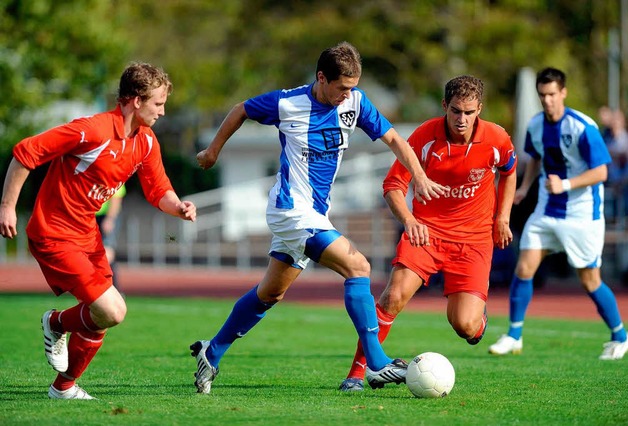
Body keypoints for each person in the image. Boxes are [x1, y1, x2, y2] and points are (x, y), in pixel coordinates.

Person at [191, 41, 444, 394]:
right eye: (342, 87)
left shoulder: (355, 102)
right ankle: (377, 363)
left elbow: (394, 139)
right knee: (359, 267)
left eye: (353, 87)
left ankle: (211, 351)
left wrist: (417, 175)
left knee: (270, 293)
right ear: (321, 78)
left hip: (311, 213)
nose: (348, 95)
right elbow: (241, 109)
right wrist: (213, 150)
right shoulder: (287, 102)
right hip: (290, 209)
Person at [0, 62, 197, 399]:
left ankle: (63, 388)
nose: (163, 112)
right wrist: (6, 207)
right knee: (112, 309)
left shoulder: (146, 142)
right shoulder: (90, 130)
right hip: (54, 233)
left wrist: (177, 206)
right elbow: (25, 154)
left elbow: (157, 188)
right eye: (158, 104)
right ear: (136, 100)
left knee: (104, 314)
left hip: (87, 236)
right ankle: (56, 324)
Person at [339, 75, 518, 391]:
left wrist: (502, 217)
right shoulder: (423, 137)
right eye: (456, 111)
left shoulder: (497, 139)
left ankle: (476, 321)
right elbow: (393, 187)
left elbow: (509, 172)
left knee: (465, 325)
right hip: (426, 234)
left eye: (470, 112)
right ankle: (356, 374)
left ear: (480, 109)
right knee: (392, 297)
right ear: (444, 106)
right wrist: (409, 221)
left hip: (474, 240)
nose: (462, 119)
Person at [488, 67, 628, 360]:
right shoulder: (536, 125)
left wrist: (566, 183)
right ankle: (514, 335)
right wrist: (526, 187)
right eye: (542, 95)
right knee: (524, 267)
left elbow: (602, 171)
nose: (547, 101)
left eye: (552, 94)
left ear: (563, 93)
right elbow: (535, 158)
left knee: (589, 280)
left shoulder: (582, 127)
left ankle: (620, 335)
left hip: (582, 214)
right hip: (546, 210)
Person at [95, 184, 126, 290]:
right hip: (92, 217)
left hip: (107, 216)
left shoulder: (113, 172)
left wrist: (110, 219)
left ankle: (114, 288)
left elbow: (116, 198)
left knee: (107, 253)